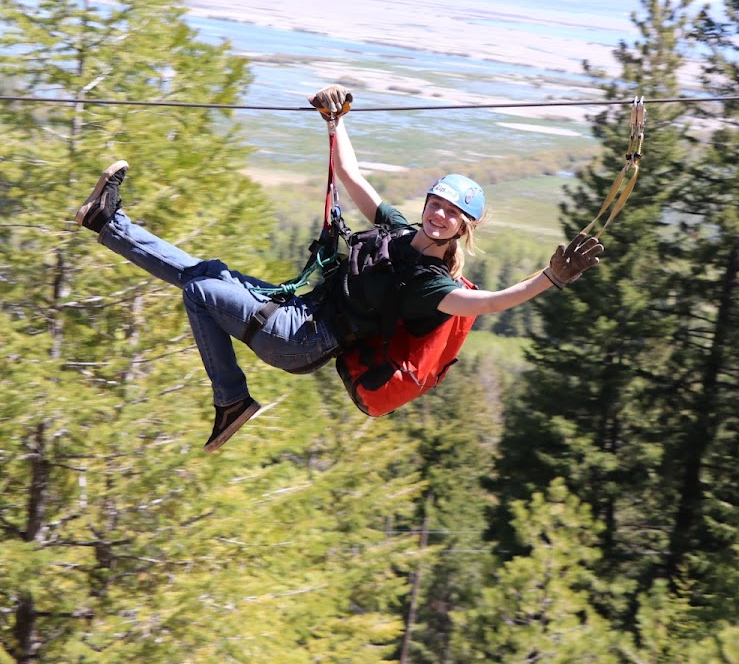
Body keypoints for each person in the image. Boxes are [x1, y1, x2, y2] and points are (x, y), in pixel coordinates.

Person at [75, 85, 603, 453]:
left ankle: (231, 399)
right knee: (204, 273)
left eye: (452, 214)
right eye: (437, 203)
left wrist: (548, 280)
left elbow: (487, 303)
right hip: (301, 310)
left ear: (463, 228)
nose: (440, 215)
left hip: (305, 338)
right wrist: (336, 121)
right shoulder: (397, 228)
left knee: (201, 290)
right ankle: (107, 222)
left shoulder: (429, 285)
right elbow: (350, 175)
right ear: (428, 203)